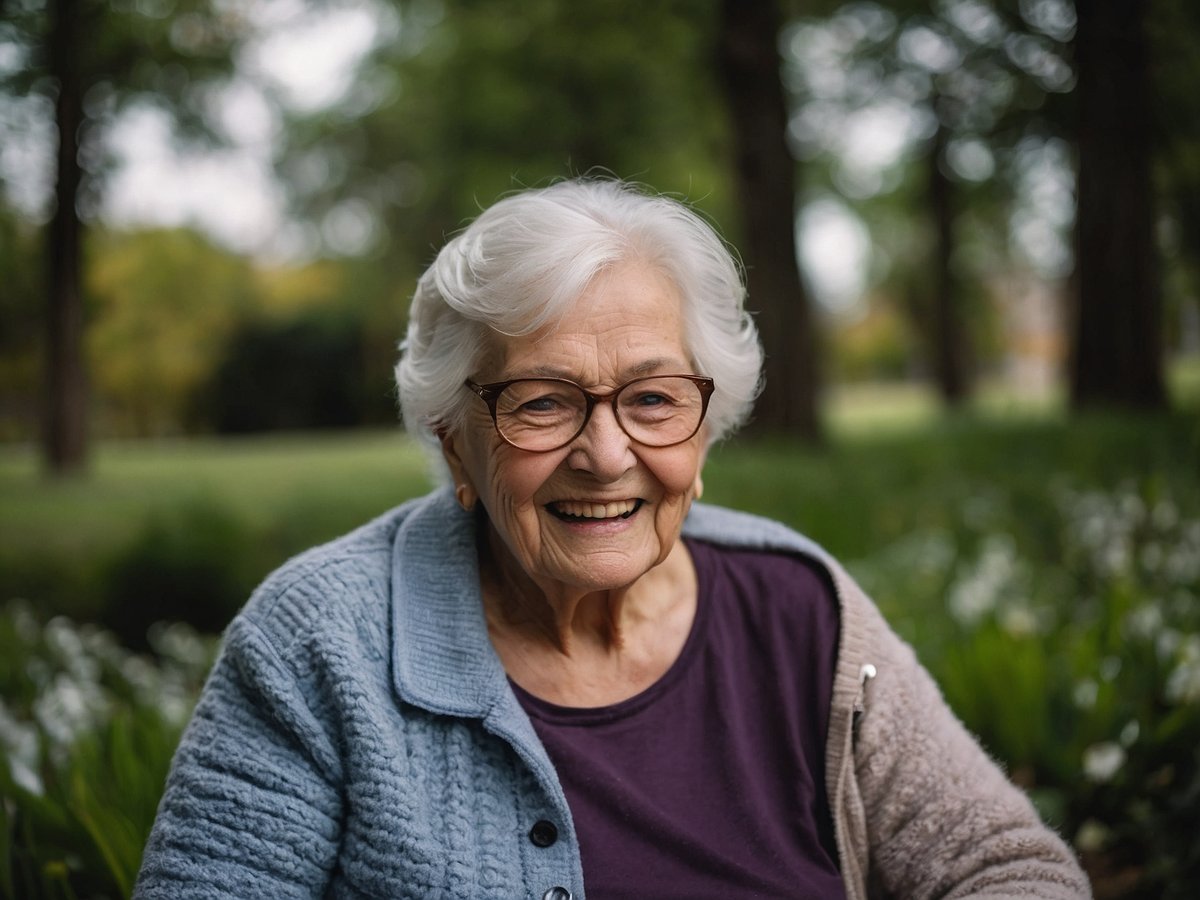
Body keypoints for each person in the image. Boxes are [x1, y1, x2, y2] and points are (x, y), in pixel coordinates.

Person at [134, 178, 1090, 899]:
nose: (606, 453)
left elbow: (1002, 865)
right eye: (542, 402)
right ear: (455, 444)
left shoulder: (801, 610)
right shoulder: (320, 641)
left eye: (653, 399)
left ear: (703, 431)